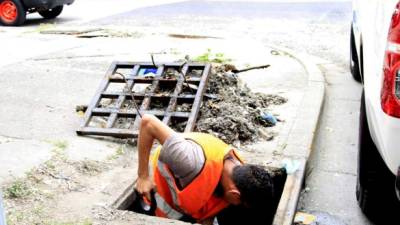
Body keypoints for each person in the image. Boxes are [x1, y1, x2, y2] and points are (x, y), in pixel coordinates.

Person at [135, 114, 275, 224]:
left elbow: (213, 199)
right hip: (164, 193)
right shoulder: (189, 161)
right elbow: (148, 123)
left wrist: (207, 218)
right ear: (235, 194)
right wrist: (143, 177)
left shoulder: (236, 167)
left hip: (191, 193)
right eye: (239, 203)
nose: (236, 206)